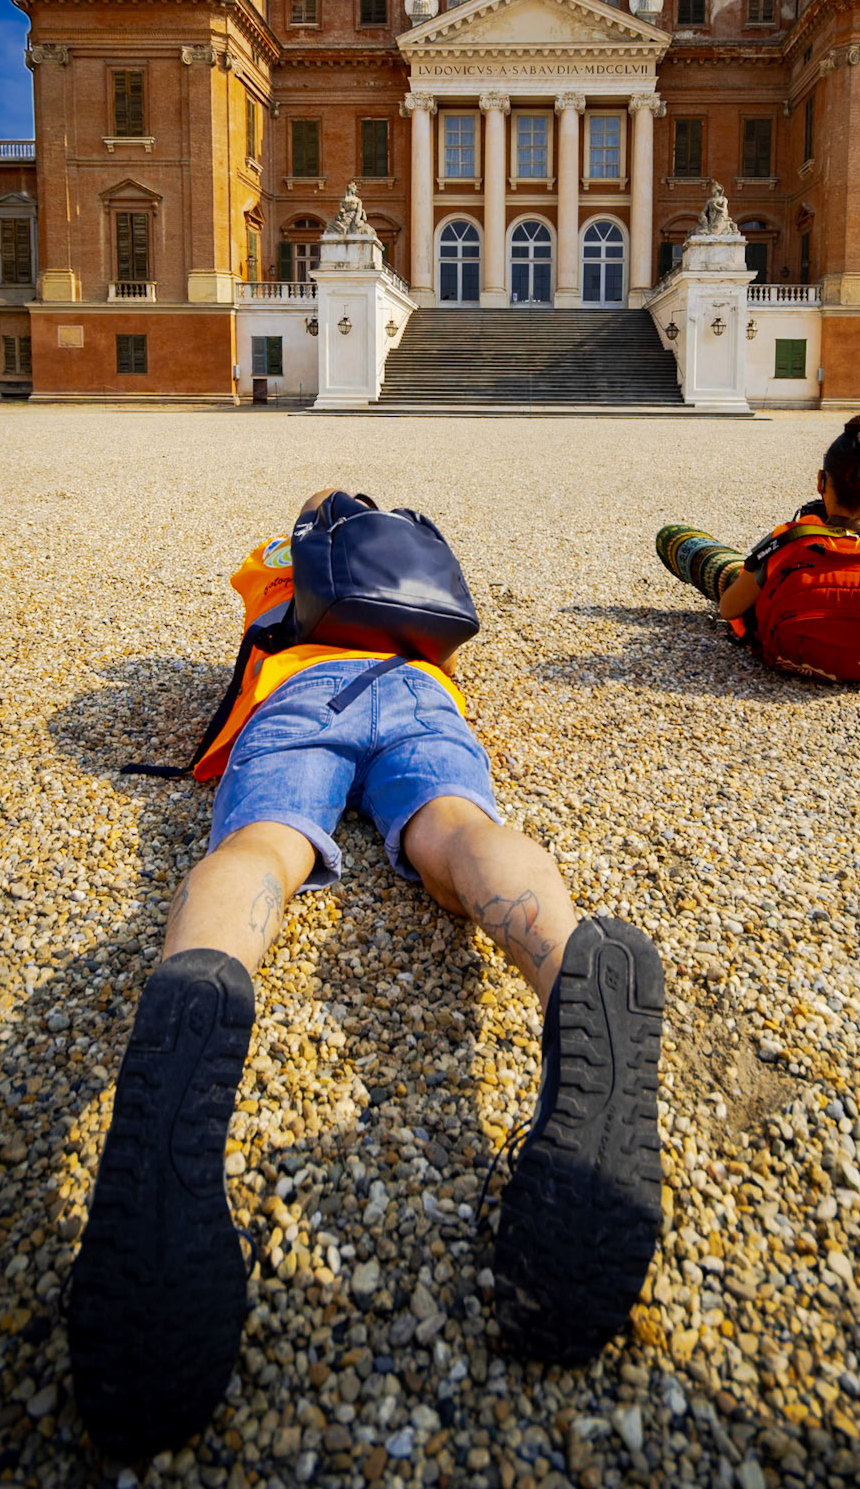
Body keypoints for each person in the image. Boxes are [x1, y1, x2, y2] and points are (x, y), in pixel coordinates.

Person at [68, 488, 664, 1461]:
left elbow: (252, 629)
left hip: (306, 689)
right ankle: (568, 965)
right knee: (459, 833)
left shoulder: (282, 560)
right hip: (421, 691)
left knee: (264, 846)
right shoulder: (418, 576)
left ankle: (193, 995)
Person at [656, 414, 860, 682]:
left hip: (788, 649)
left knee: (675, 538)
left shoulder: (791, 541)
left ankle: (729, 567)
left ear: (820, 481)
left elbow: (729, 608)